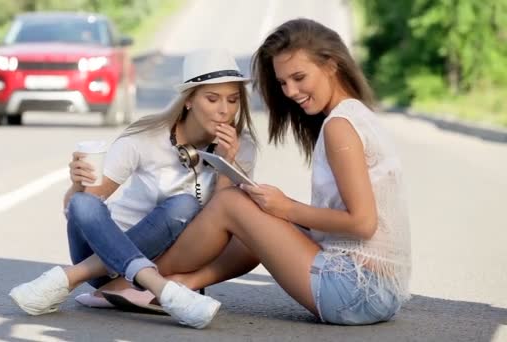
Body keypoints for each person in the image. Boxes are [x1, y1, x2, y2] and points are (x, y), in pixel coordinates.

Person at [127, 18, 411, 326]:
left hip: (353, 291)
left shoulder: (340, 127)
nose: (290, 91)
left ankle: (138, 279)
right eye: (283, 82)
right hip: (379, 293)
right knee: (257, 214)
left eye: (299, 77)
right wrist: (278, 211)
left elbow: (362, 223)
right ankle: (185, 282)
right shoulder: (357, 114)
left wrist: (287, 207)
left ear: (331, 65)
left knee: (230, 203)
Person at [9, 49, 260, 329]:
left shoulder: (242, 147)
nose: (224, 110)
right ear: (189, 101)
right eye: (212, 99)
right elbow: (88, 205)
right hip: (104, 251)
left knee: (186, 205)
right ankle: (156, 288)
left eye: (233, 100)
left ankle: (73, 278)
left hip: (171, 258)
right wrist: (77, 184)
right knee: (81, 204)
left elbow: (220, 219)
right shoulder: (146, 136)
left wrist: (226, 164)